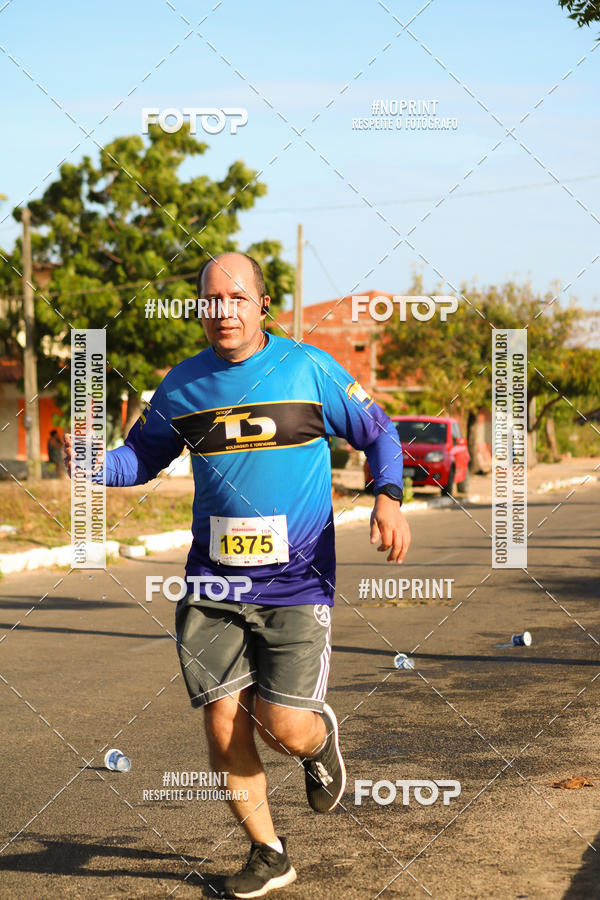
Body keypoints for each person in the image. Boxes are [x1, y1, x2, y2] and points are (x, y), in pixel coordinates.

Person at [64, 252, 411, 898]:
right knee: (223, 722)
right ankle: (268, 852)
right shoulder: (182, 386)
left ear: (261, 306)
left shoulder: (307, 369)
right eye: (210, 301)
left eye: (236, 299)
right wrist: (91, 465)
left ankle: (315, 742)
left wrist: (387, 495)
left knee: (281, 726)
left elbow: (380, 431)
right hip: (212, 584)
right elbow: (139, 459)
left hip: (296, 582)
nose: (222, 312)